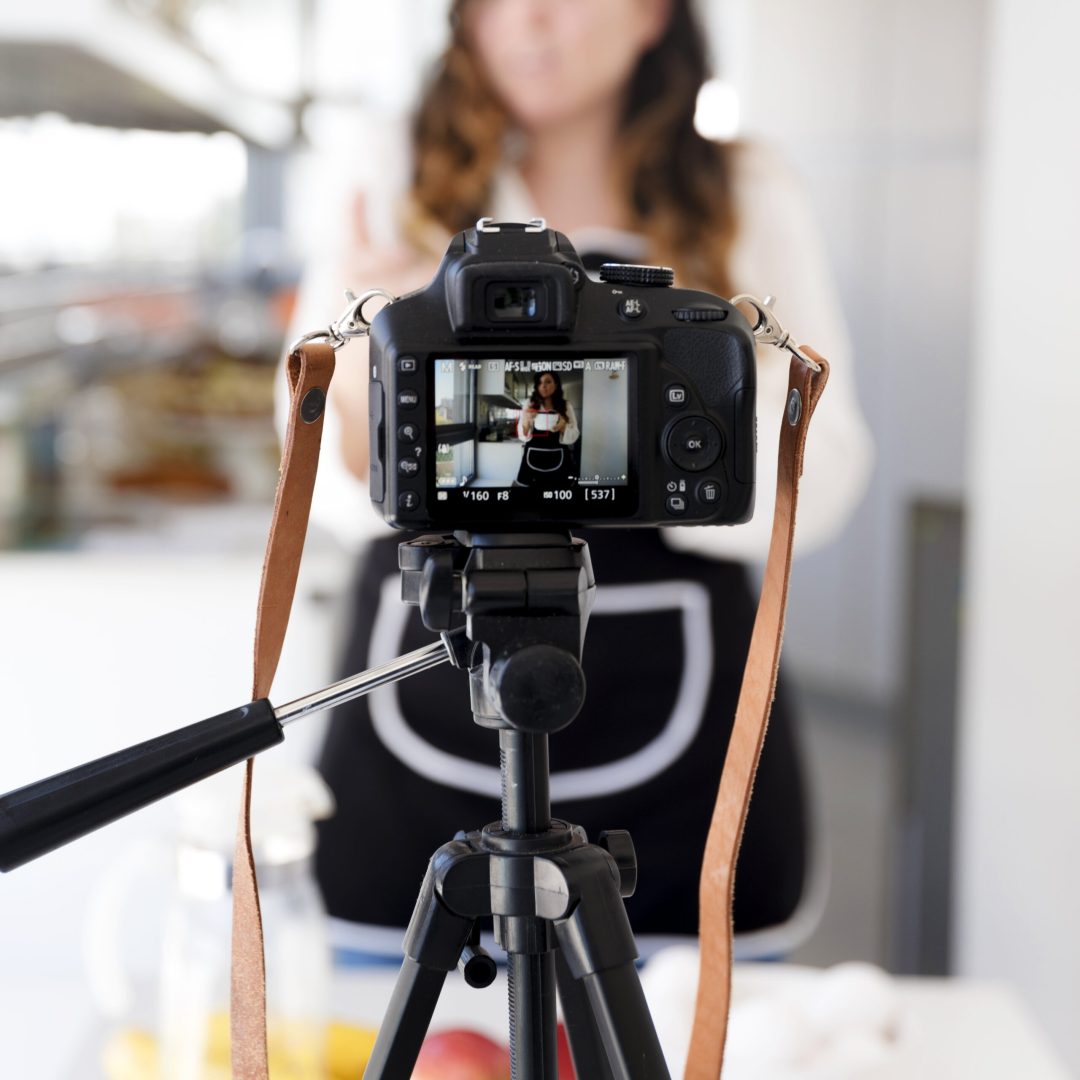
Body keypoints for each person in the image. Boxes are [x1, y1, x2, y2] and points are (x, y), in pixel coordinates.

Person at [291, 0, 873, 956]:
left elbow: (831, 469)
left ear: (654, 15)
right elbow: (323, 477)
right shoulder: (389, 171)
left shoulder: (745, 190)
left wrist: (690, 406)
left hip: (682, 723)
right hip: (424, 698)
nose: (529, 22)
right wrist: (383, 351)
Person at [516, 370, 580, 486]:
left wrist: (563, 427)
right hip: (532, 457)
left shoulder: (566, 405)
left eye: (548, 382)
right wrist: (526, 419)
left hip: (559, 458)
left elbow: (575, 434)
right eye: (539, 383)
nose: (543, 386)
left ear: (556, 385)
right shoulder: (529, 404)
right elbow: (522, 436)